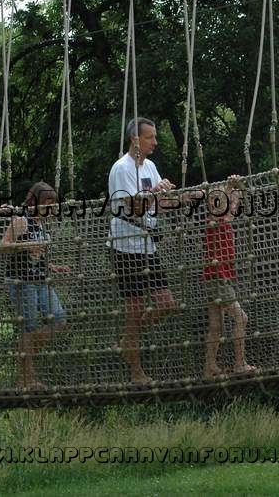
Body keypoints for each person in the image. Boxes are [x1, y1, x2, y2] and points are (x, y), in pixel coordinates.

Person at [108, 117, 177, 384]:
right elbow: (132, 208)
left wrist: (172, 195)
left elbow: (157, 206)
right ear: (134, 140)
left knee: (166, 304)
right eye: (150, 137)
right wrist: (157, 192)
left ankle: (128, 340)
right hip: (126, 247)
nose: (155, 142)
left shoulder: (150, 166)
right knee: (134, 309)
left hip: (147, 244)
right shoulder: (121, 169)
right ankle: (137, 372)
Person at [0, 181, 69, 389]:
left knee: (59, 320)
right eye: (47, 202)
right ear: (35, 201)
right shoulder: (22, 220)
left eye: (52, 204)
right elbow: (2, 247)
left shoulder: (42, 224)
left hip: (40, 279)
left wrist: (53, 266)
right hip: (21, 281)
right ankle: (26, 379)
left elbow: (37, 256)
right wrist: (28, 245)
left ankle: (22, 354)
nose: (50, 207)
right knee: (29, 328)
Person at [201, 176, 256, 377]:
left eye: (236, 202)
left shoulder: (224, 222)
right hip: (217, 279)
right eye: (231, 202)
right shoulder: (216, 220)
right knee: (242, 318)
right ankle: (240, 363)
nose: (234, 205)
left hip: (213, 278)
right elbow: (219, 204)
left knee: (216, 325)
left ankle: (210, 366)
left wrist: (236, 189)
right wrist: (228, 187)